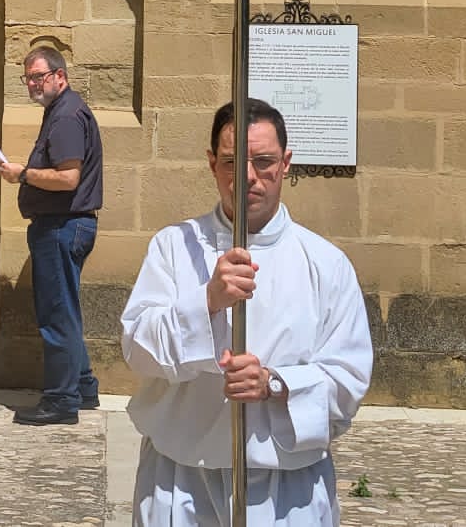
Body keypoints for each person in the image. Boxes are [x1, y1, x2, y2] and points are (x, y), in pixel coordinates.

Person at [120, 99, 374, 526]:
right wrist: (207, 303)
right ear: (211, 163)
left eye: (264, 161)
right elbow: (138, 349)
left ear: (286, 163)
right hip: (183, 480)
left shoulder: (325, 264)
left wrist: (275, 383)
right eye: (232, 162)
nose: (249, 177)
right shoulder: (173, 247)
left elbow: (348, 381)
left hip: (286, 491)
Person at [0, 46, 103, 425]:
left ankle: (61, 400)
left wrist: (22, 174)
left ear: (60, 75)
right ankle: (84, 386)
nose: (32, 84)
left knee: (57, 316)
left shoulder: (68, 116)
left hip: (62, 226)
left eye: (38, 76)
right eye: (27, 78)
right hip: (62, 225)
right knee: (65, 311)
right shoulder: (60, 112)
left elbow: (69, 177)